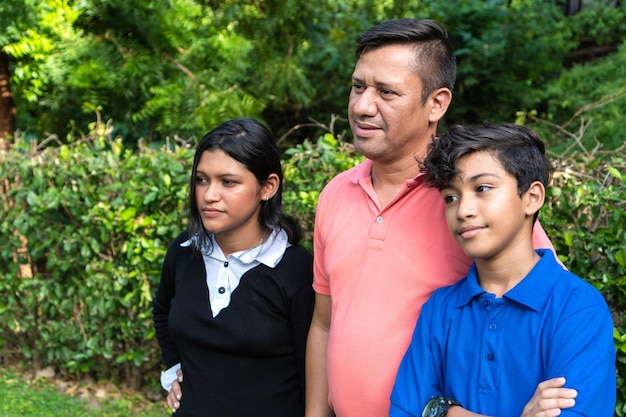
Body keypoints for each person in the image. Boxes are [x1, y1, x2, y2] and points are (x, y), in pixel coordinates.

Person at [305, 19, 559, 417]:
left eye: (386, 92)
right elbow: (324, 324)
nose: (362, 106)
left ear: (436, 103)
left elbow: (548, 314)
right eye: (358, 87)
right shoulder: (335, 194)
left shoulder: (471, 199)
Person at [389, 123, 616, 417]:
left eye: (482, 188)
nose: (463, 210)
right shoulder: (440, 309)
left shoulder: (577, 308)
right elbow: (404, 412)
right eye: (451, 197)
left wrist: (444, 412)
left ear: (532, 197)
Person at [152, 118, 315, 417]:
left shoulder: (296, 271)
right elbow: (162, 310)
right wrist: (174, 367)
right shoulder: (184, 251)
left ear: (268, 187)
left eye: (228, 182)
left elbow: (314, 371)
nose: (209, 195)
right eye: (202, 180)